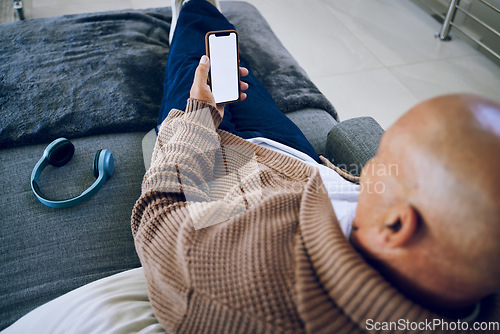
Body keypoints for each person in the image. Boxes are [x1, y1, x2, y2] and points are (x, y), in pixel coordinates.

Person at [132, 0, 500, 332]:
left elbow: (156, 214)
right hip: (289, 157)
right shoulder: (465, 276)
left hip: (217, 181)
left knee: (194, 64)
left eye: (384, 162)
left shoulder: (228, 282)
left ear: (398, 224)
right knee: (238, 78)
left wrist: (198, 116)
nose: (369, 170)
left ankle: (192, 7)